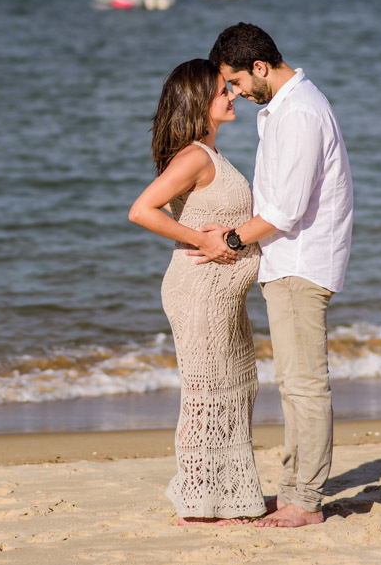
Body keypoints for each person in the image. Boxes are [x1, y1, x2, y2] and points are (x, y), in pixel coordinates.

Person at [198, 22, 354, 528]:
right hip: (288, 261)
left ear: (260, 67)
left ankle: (305, 501)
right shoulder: (285, 110)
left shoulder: (301, 113)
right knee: (293, 382)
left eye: (237, 82)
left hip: (302, 262)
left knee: (304, 384)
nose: (236, 94)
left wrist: (233, 240)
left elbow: (285, 210)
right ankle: (293, 491)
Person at [128, 58, 266, 526]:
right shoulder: (194, 156)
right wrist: (202, 239)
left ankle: (226, 493)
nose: (232, 96)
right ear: (198, 103)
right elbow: (142, 210)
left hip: (221, 296)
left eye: (231, 88)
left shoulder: (209, 154)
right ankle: (198, 504)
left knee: (237, 387)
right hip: (199, 291)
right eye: (222, 91)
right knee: (207, 394)